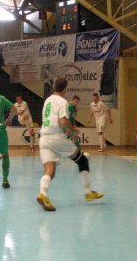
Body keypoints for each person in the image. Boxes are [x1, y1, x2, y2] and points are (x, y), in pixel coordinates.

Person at [37, 77, 103, 211]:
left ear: (54, 86)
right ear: (66, 88)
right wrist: (74, 130)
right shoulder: (63, 102)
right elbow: (63, 121)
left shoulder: (47, 100)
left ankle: (43, 193)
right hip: (56, 138)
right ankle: (88, 192)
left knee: (50, 171)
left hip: (44, 138)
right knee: (82, 160)